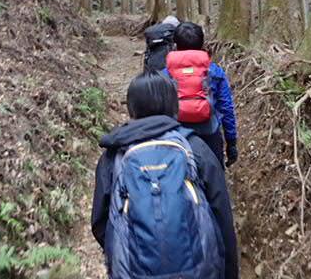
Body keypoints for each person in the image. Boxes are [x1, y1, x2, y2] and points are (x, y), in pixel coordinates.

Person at [91, 72, 238, 279]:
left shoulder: (112, 157)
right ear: (173, 105)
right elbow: (221, 214)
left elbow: (100, 223)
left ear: (131, 108)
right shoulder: (194, 147)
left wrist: (120, 254)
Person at [165, 22, 238, 168]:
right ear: (202, 44)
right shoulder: (214, 71)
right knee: (215, 175)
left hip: (176, 135)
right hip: (209, 132)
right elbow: (226, 108)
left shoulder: (165, 74)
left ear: (175, 45)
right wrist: (231, 142)